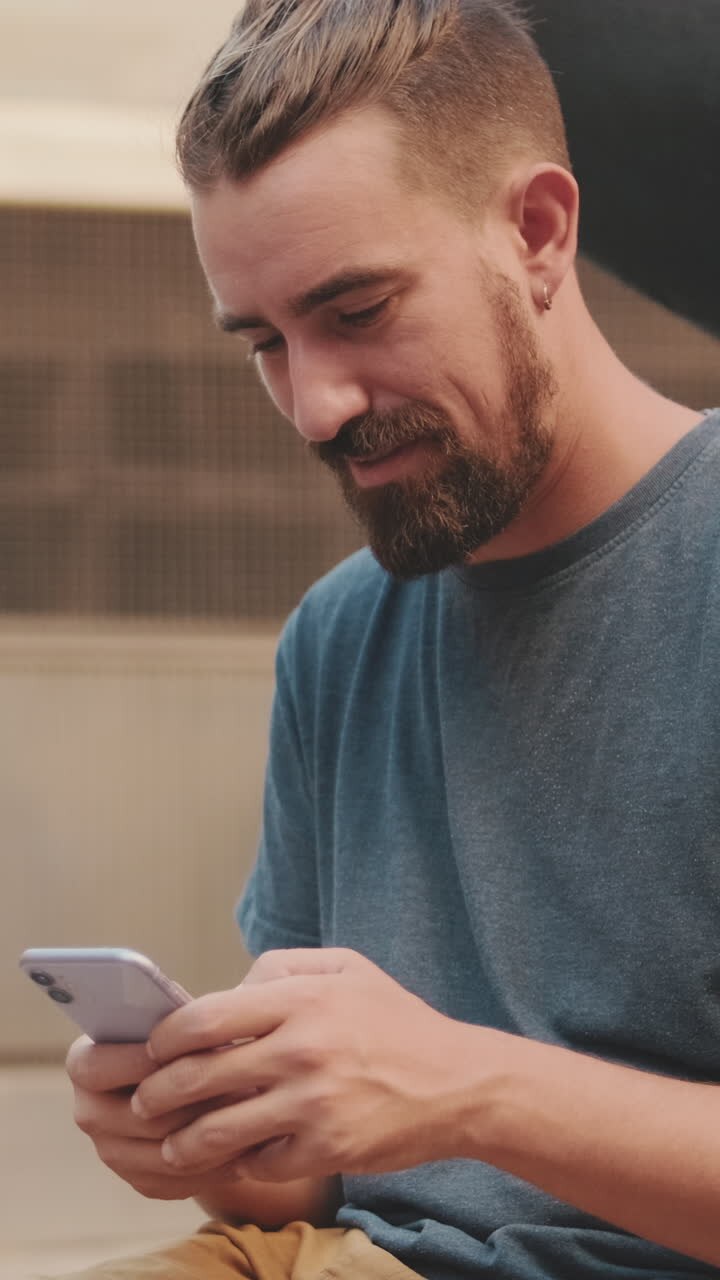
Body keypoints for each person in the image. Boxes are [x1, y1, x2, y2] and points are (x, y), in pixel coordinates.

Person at [60, 2, 720, 1277]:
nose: (315, 404)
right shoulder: (337, 636)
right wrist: (227, 1128)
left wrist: (469, 1084)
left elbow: (438, 1097)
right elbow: (334, 1177)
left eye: (356, 309)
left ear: (536, 231)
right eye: (264, 342)